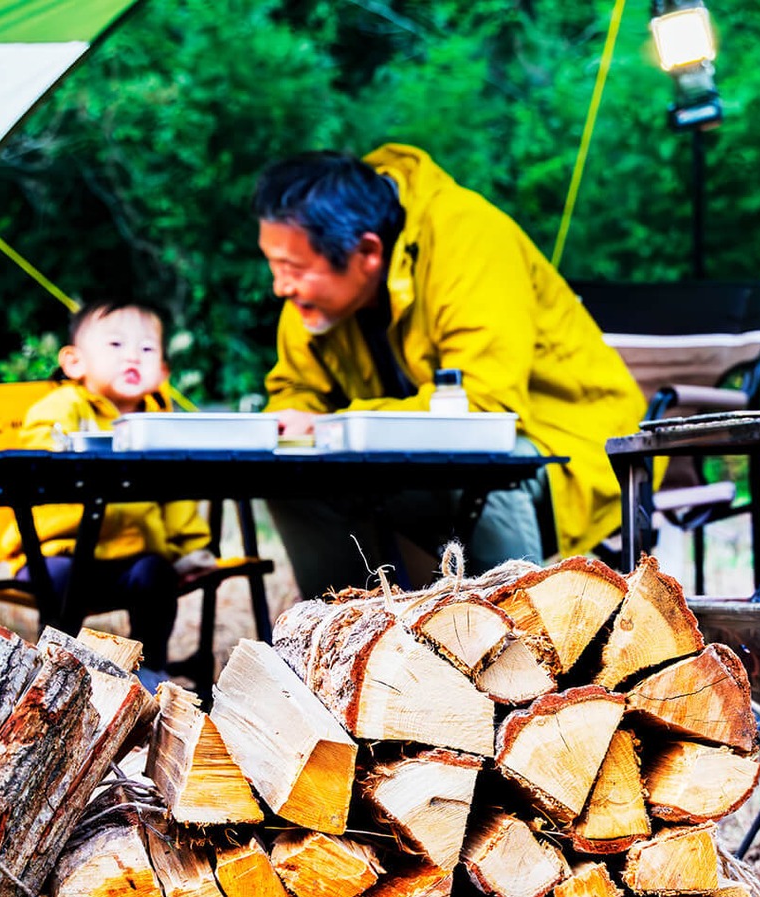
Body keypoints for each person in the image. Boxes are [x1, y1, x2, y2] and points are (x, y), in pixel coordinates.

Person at [253, 145, 647, 598]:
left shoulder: (471, 238)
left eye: (292, 268)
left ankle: (516, 630)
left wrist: (332, 425)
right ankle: (346, 627)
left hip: (570, 443)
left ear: (368, 252)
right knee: (293, 478)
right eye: (273, 264)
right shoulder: (312, 296)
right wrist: (293, 421)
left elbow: (484, 410)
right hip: (410, 456)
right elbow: (295, 389)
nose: (279, 286)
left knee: (483, 470)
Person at [5, 299, 215, 689]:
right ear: (75, 362)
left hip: (132, 560)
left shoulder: (159, 425)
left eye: (147, 349)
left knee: (156, 575)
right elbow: (39, 451)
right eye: (116, 345)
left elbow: (176, 495)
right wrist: (69, 447)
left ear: (163, 371)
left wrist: (190, 548)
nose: (132, 357)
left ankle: (150, 667)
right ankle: (59, 670)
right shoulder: (63, 406)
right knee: (61, 582)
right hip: (58, 552)